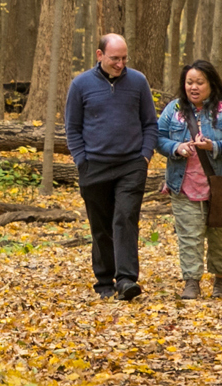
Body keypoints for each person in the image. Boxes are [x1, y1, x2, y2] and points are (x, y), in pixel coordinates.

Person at [64, 33, 158, 300]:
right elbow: (72, 127)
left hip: (131, 164)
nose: (120, 64)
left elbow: (150, 123)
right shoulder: (81, 84)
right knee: (101, 225)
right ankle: (104, 280)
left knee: (125, 218)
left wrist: (144, 157)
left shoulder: (138, 82)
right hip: (94, 165)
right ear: (99, 55)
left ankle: (126, 279)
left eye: (124, 58)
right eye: (114, 58)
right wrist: (81, 160)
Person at [156, 59, 222, 299]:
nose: (193, 87)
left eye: (199, 82)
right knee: (189, 235)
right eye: (189, 82)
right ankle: (191, 282)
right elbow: (158, 137)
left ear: (211, 84)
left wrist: (214, 146)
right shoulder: (174, 110)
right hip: (184, 184)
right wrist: (176, 147)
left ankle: (220, 281)